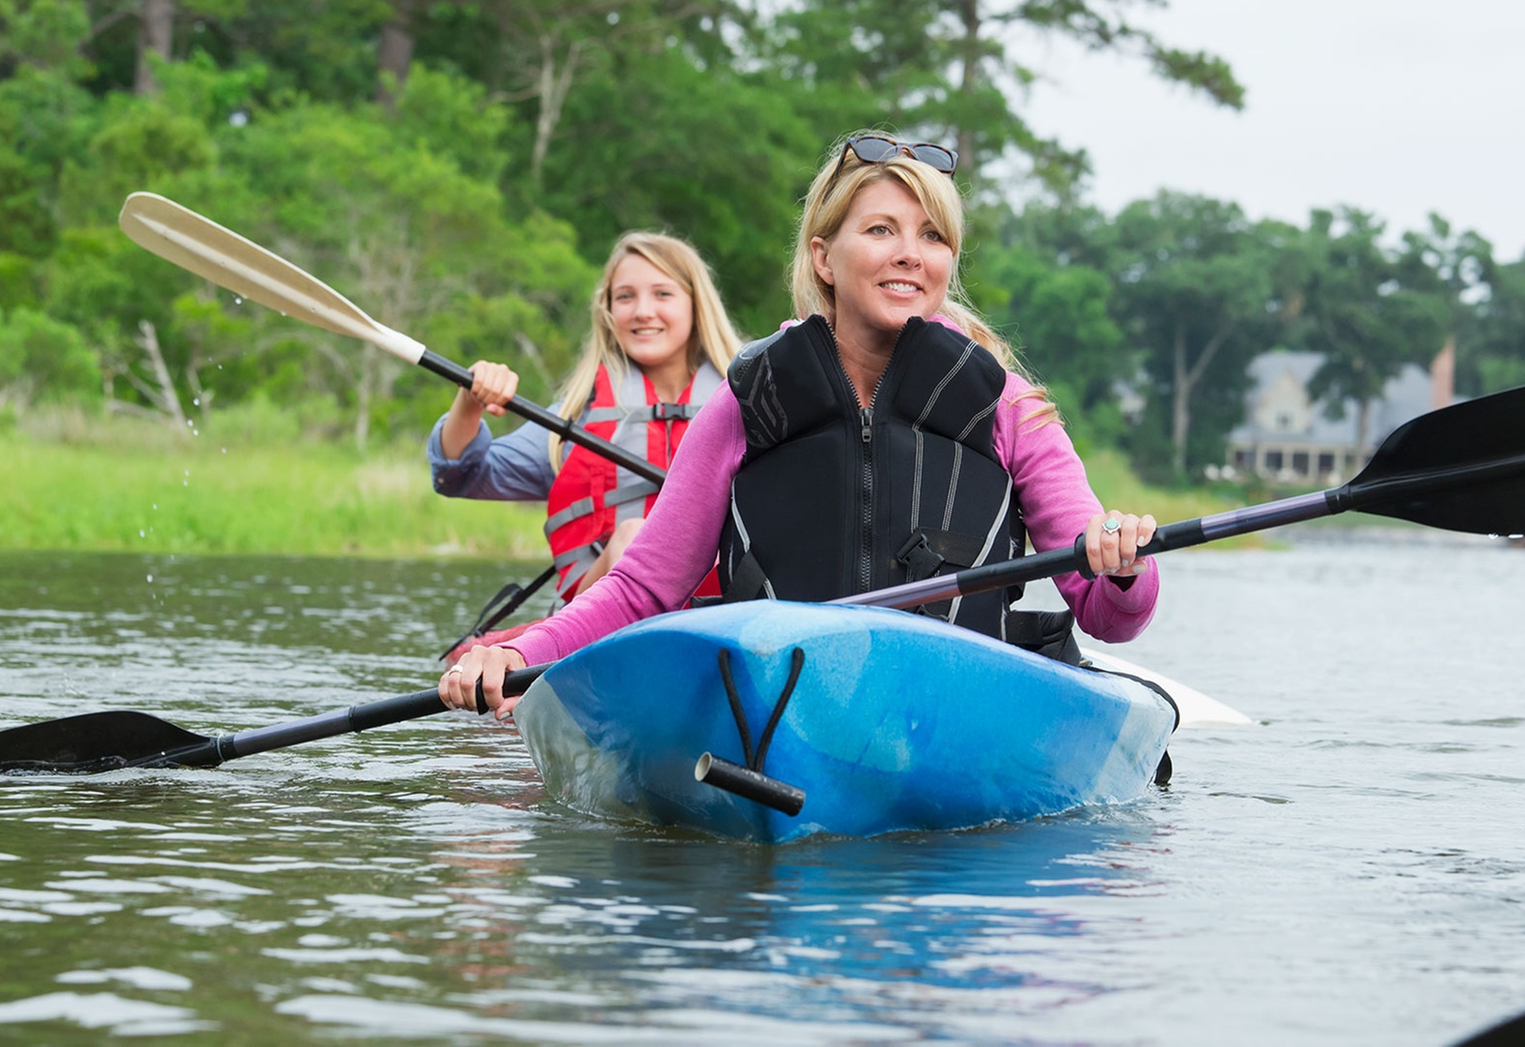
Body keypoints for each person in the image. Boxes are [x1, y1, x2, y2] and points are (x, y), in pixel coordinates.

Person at [442, 131, 1163, 718]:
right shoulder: (745, 401)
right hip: (779, 705)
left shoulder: (1009, 408)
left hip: (952, 706)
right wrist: (522, 650)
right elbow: (642, 588)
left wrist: (1125, 563)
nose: (911, 252)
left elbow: (1108, 614)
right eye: (880, 229)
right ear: (823, 255)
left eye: (932, 236)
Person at [429, 231, 745, 605]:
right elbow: (461, 474)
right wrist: (469, 401)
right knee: (633, 536)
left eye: (663, 294)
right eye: (625, 296)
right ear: (608, 311)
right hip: (602, 615)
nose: (643, 311)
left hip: (721, 609)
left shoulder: (750, 403)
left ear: (696, 305)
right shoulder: (574, 418)